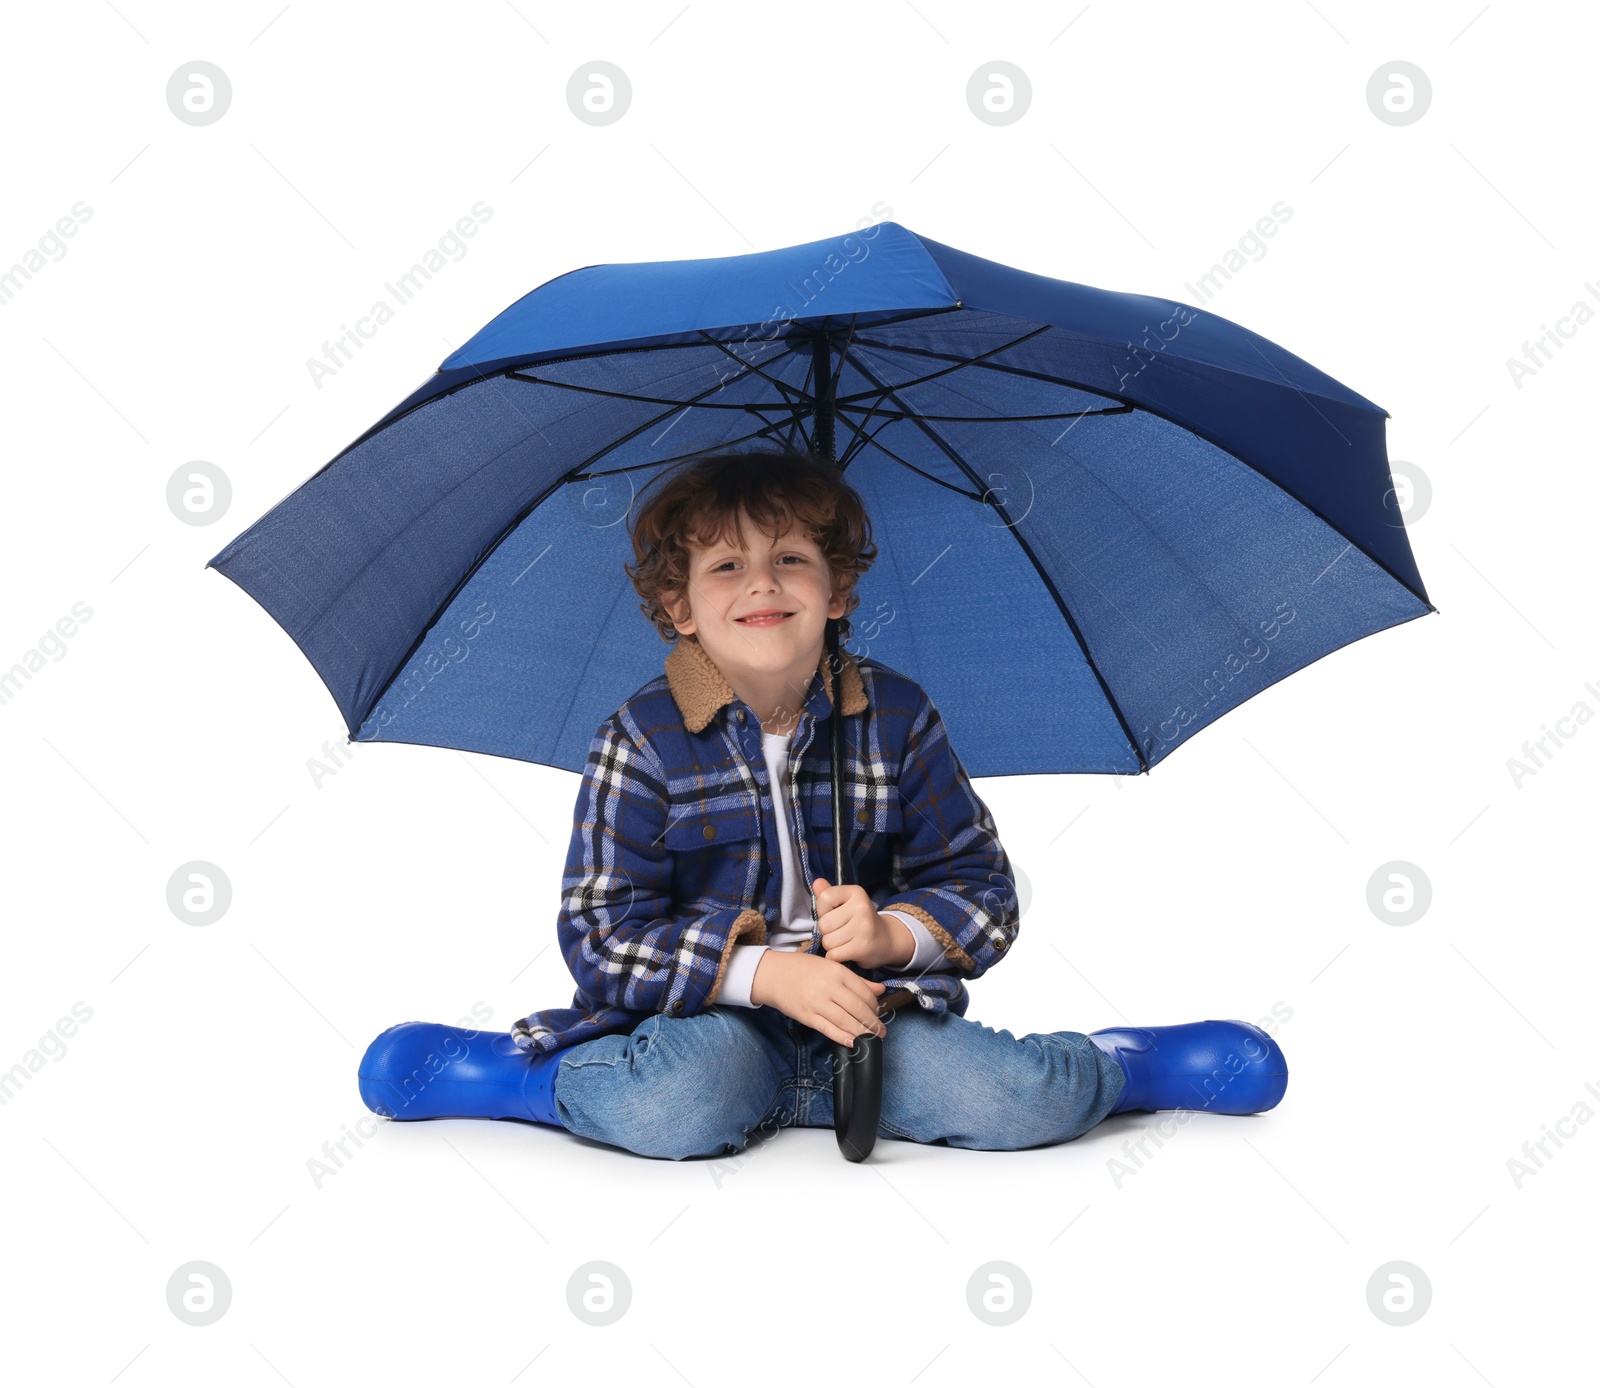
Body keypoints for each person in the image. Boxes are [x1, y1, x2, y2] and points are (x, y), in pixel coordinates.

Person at [358, 445, 1288, 1157]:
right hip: (710, 1024)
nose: (761, 582)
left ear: (837, 590)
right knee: (674, 1103)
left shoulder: (896, 714)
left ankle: (1125, 1063)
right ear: (678, 607)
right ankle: (519, 1076)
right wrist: (766, 975)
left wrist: (895, 935)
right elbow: (600, 937)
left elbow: (983, 887)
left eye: (791, 560)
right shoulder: (639, 738)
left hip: (873, 1012)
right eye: (725, 567)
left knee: (1017, 1103)